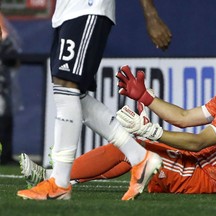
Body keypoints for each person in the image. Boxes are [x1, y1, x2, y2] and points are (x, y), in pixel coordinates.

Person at [20, 45, 216, 194]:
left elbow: (198, 142)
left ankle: (52, 178)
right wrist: (147, 97)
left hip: (204, 178)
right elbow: (183, 118)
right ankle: (60, 176)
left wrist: (152, 132)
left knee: (135, 146)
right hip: (197, 165)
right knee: (133, 146)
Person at [17, 0, 172, 201]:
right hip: (67, 11)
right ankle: (139, 157)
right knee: (74, 95)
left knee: (66, 87)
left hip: (87, 7)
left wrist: (151, 14)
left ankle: (60, 182)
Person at [0, 12, 22, 165]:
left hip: (2, 84)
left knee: (6, 117)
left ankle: (5, 155)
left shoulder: (5, 36)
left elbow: (13, 58)